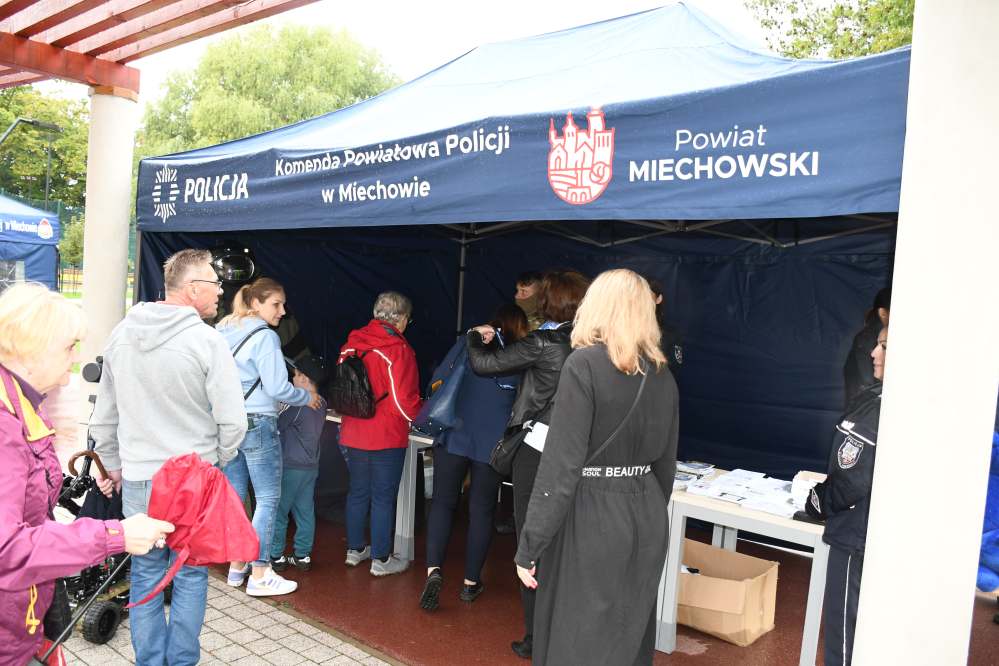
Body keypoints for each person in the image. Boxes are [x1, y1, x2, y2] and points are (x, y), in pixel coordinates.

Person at [0, 284, 173, 666]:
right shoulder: (5, 423)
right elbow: (7, 547)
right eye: (68, 346)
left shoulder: (23, 403)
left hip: (23, 616)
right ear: (31, 349)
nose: (75, 357)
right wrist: (116, 535)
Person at [513, 269, 678, 666]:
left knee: (577, 638)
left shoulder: (584, 364)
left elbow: (561, 466)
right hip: (647, 511)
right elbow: (666, 466)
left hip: (591, 512)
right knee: (630, 634)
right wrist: (645, 506)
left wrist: (530, 545)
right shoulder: (662, 374)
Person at [90, 249, 249, 665]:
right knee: (191, 572)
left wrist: (113, 466)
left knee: (145, 573)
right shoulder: (207, 340)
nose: (220, 291)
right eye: (215, 284)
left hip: (140, 477)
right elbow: (234, 420)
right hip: (193, 478)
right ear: (193, 289)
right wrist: (217, 459)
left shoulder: (122, 334)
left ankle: (150, 661)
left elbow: (104, 416)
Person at [466, 269, 590, 659]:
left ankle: (537, 637)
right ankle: (568, 631)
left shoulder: (544, 342)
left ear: (549, 302)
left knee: (531, 543)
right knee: (566, 543)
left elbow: (484, 364)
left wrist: (475, 337)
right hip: (579, 451)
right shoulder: (593, 344)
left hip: (537, 450)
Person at [216, 277, 321, 596]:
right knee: (267, 499)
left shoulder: (223, 330)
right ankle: (260, 572)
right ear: (255, 303)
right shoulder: (265, 336)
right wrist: (305, 397)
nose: (283, 311)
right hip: (258, 421)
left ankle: (237, 566)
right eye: (276, 304)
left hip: (227, 423)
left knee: (236, 497)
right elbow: (277, 387)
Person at [420, 304, 528, 611]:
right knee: (482, 511)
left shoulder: (469, 343)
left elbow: (438, 378)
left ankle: (434, 570)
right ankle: (470, 583)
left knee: (442, 503)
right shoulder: (521, 357)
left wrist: (468, 337)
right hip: (492, 445)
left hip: (455, 435)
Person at [806, 326, 887, 666]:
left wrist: (816, 502)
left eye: (884, 346)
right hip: (869, 534)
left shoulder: (876, 408)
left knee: (843, 639)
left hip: (855, 536)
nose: (874, 353)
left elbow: (851, 480)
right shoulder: (876, 397)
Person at [339, 291, 422, 576]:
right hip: (386, 433)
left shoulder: (351, 344)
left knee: (358, 492)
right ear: (401, 318)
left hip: (353, 429)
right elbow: (403, 400)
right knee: (383, 498)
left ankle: (354, 550)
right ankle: (381, 559)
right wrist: (421, 419)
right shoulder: (398, 349)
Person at [271, 355, 330, 572]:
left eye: (295, 376)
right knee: (305, 511)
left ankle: (275, 555)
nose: (292, 380)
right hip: (310, 467)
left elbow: (277, 423)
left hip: (290, 466)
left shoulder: (299, 405)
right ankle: (302, 555)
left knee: (279, 512)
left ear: (304, 379)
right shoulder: (322, 402)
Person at [843, 286, 890, 407]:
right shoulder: (867, 339)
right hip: (866, 409)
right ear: (883, 314)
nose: (874, 353)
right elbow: (867, 385)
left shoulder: (867, 336)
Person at [646, 277, 684, 379]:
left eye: (647, 296)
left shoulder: (670, 334)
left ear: (658, 299)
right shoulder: (625, 329)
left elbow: (675, 370)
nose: (642, 301)